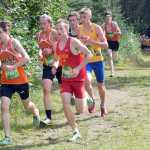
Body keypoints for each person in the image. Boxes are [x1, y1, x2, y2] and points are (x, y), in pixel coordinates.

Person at [0, 21, 40, 145]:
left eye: (0, 33)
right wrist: (2, 66)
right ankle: (8, 137)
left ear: (6, 32)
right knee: (4, 106)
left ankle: (35, 112)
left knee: (27, 105)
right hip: (6, 81)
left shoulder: (14, 42)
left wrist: (13, 67)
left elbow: (26, 58)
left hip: (20, 81)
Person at [55, 20, 91, 142]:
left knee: (80, 110)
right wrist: (55, 65)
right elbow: (58, 59)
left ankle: (87, 97)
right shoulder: (57, 44)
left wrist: (78, 68)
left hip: (78, 78)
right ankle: (75, 131)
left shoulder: (73, 41)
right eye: (57, 29)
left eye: (61, 29)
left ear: (66, 30)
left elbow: (89, 54)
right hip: (65, 79)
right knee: (65, 102)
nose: (58, 31)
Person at [79, 8, 108, 117]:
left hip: (98, 60)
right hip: (86, 61)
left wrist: (91, 41)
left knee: (100, 85)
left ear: (89, 17)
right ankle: (92, 100)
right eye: (81, 17)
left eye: (84, 17)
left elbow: (106, 45)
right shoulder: (79, 29)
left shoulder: (97, 28)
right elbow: (76, 45)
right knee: (87, 81)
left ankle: (103, 105)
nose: (82, 19)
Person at [36, 14, 62, 125]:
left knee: (65, 89)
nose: (42, 25)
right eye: (41, 23)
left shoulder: (55, 33)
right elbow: (40, 49)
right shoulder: (39, 35)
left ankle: (75, 98)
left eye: (44, 23)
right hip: (47, 65)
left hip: (59, 64)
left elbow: (61, 47)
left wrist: (51, 50)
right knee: (46, 89)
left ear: (50, 23)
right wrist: (40, 54)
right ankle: (48, 117)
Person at [68, 12, 95, 113]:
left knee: (87, 82)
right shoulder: (67, 32)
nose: (72, 22)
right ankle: (84, 99)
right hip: (71, 62)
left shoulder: (82, 30)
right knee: (76, 83)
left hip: (84, 59)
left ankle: (92, 100)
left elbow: (89, 44)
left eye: (74, 20)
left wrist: (85, 42)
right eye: (70, 20)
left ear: (78, 20)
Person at [102, 11, 121, 77]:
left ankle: (111, 63)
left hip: (115, 41)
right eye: (106, 18)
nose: (108, 19)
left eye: (109, 18)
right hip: (108, 42)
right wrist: (104, 35)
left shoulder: (114, 24)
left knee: (114, 57)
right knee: (110, 56)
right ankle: (112, 72)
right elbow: (102, 34)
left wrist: (113, 34)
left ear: (111, 18)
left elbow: (119, 33)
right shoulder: (103, 25)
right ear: (105, 18)